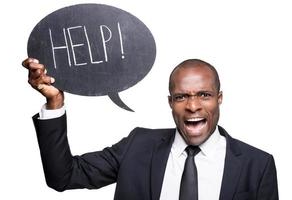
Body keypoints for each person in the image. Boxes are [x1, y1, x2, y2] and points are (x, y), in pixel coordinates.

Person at [22, 58, 279, 200]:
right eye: (181, 97)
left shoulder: (257, 165)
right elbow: (63, 177)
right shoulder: (137, 146)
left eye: (204, 95)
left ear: (219, 98)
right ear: (170, 102)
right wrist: (54, 103)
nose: (192, 106)